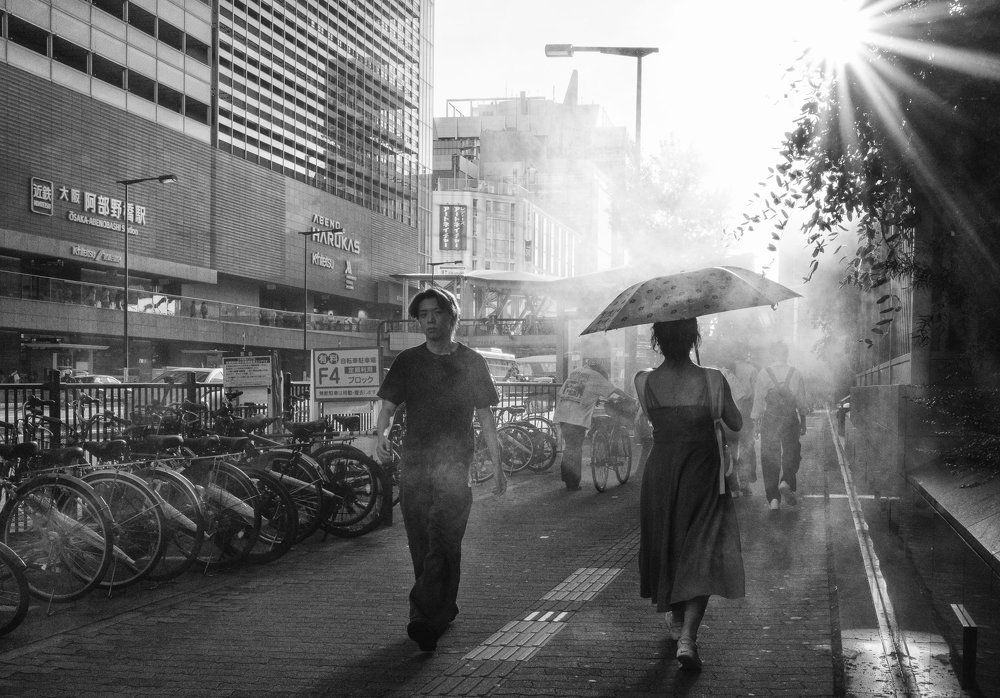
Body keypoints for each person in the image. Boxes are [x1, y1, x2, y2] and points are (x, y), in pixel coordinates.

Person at [374, 287, 504, 653]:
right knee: (422, 542)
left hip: (455, 465)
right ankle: (442, 610)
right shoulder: (408, 361)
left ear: (452, 317)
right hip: (415, 465)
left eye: (436, 313)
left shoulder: (472, 362)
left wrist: (498, 465)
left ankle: (422, 617)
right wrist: (379, 434)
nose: (429, 320)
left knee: (443, 539)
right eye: (423, 315)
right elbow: (388, 407)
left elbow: (486, 417)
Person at [634, 318, 745, 671]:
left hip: (661, 473)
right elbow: (736, 422)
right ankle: (687, 639)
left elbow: (648, 423)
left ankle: (677, 621)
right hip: (703, 474)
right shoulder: (713, 379)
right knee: (702, 550)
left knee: (670, 545)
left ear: (657, 340)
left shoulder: (643, 381)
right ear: (694, 337)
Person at [553, 360, 628, 491]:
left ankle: (567, 479)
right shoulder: (597, 376)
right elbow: (613, 390)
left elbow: (575, 391)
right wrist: (630, 398)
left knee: (569, 447)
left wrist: (594, 397)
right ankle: (573, 483)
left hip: (563, 413)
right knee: (575, 448)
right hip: (575, 417)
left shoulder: (576, 371)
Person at [751, 340, 808, 511]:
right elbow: (801, 401)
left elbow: (758, 402)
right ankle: (786, 482)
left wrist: (756, 424)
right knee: (792, 452)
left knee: (769, 457)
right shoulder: (796, 373)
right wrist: (803, 421)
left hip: (770, 420)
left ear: (772, 354)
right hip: (790, 419)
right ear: (786, 354)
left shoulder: (764, 373)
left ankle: (773, 500)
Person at [732, 349, 759, 496]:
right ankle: (744, 482)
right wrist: (756, 416)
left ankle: (733, 486)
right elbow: (755, 395)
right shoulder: (751, 369)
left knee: (730, 447)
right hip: (745, 411)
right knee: (746, 447)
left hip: (727, 411)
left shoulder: (725, 370)